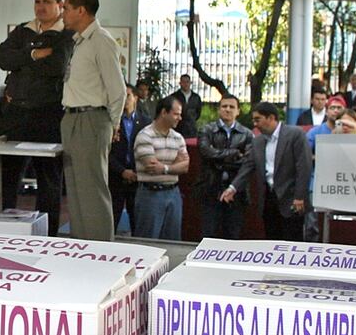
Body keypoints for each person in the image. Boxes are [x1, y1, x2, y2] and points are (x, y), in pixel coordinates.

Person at [0, 0, 74, 235]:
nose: (40, 7)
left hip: (48, 116)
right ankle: (2, 231)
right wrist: (33, 55)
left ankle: (48, 235)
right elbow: (2, 58)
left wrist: (21, 60)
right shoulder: (23, 30)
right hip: (16, 115)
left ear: (59, 5)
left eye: (46, 2)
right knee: (8, 177)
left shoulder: (66, 35)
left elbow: (56, 66)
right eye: (37, 2)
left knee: (48, 179)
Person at [59, 0, 126, 241]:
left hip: (92, 118)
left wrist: (114, 124)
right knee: (76, 188)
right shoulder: (78, 42)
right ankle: (82, 244)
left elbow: (117, 89)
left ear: (81, 10)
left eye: (66, 8)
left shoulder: (101, 41)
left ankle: (101, 247)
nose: (63, 13)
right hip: (72, 117)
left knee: (93, 188)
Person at [222, 102, 311, 241]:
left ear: (271, 118)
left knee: (292, 241)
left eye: (258, 119)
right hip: (268, 199)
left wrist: (299, 196)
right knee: (271, 240)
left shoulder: (295, 135)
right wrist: (233, 188)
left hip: (291, 198)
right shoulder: (257, 142)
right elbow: (248, 167)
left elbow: (303, 167)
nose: (255, 124)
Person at [131, 97, 190, 240]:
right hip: (150, 194)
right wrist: (175, 164)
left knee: (173, 241)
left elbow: (185, 166)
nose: (180, 118)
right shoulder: (145, 136)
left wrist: (164, 168)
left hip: (174, 193)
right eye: (176, 114)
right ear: (164, 112)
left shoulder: (178, 138)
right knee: (148, 241)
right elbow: (152, 167)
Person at [197, 94, 253, 240]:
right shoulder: (206, 130)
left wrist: (218, 157)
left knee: (232, 236)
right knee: (208, 235)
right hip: (211, 188)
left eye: (232, 107)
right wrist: (234, 153)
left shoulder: (247, 134)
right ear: (219, 109)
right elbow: (206, 153)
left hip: (236, 191)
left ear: (238, 111)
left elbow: (247, 162)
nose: (227, 109)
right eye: (224, 106)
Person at [303, 94, 348, 241]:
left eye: (339, 108)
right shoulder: (315, 132)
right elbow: (304, 155)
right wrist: (322, 157)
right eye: (332, 108)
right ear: (327, 111)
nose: (335, 111)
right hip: (315, 183)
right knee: (311, 224)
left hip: (342, 183)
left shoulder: (349, 130)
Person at [107, 84, 150, 233]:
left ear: (136, 98)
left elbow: (148, 150)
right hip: (116, 176)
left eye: (128, 96)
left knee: (137, 220)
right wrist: (122, 171)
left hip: (137, 178)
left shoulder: (146, 122)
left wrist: (137, 171)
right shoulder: (110, 122)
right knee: (111, 220)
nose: (125, 100)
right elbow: (106, 152)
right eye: (121, 96)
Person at [169, 74, 202, 138]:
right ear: (180, 83)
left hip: (192, 129)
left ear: (190, 83)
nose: (186, 84)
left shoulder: (196, 97)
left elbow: (198, 112)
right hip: (178, 129)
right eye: (183, 82)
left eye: (187, 82)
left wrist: (191, 119)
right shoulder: (174, 97)